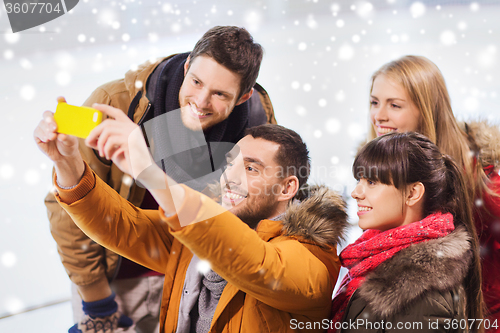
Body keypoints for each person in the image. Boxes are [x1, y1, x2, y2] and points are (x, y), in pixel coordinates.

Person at [34, 105, 350, 332]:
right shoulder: (197, 236)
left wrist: (149, 172)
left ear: (287, 187)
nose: (231, 178)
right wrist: (68, 163)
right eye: (231, 162)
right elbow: (122, 226)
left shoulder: (313, 261)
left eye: (251, 168)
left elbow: (253, 260)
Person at [44, 26, 276, 333]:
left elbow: (265, 208)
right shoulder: (115, 102)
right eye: (195, 81)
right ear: (186, 67)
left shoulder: (257, 120)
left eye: (220, 94)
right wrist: (95, 295)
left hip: (194, 282)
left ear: (244, 96)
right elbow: (67, 202)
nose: (201, 101)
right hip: (115, 281)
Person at [367, 55, 499, 332]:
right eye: (374, 102)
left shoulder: (483, 178)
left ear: (425, 109)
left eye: (394, 105)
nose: (379, 115)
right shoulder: (381, 174)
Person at [328, 132, 484, 333]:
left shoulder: (422, 292)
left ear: (412, 193)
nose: (356, 192)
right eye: (359, 179)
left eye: (372, 182)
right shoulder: (378, 259)